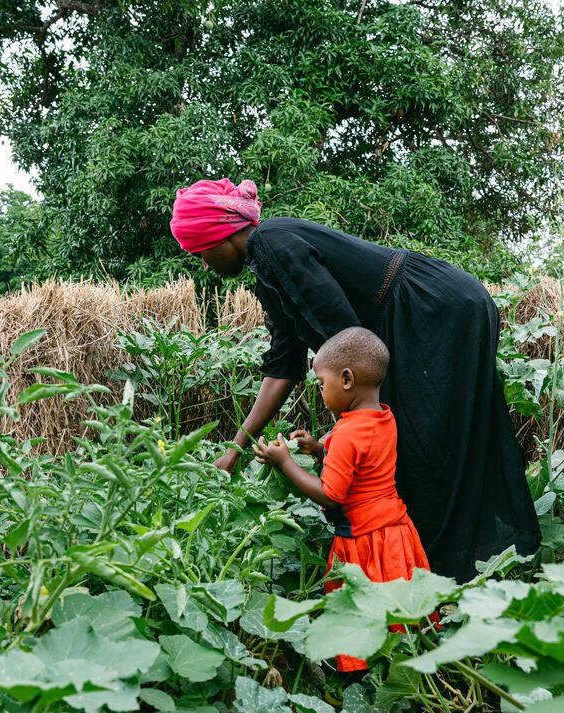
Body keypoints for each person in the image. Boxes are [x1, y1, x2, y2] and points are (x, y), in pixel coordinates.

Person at [169, 178, 540, 581]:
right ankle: (443, 571)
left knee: (428, 449)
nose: (203, 264)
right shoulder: (266, 269)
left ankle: (450, 573)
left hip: (433, 310)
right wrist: (235, 449)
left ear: (220, 234)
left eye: (199, 252)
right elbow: (284, 366)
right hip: (425, 314)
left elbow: (347, 341)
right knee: (421, 448)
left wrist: (342, 441)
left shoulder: (272, 243)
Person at [252, 327, 431, 672]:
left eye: (322, 382)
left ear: (346, 379)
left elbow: (332, 496)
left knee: (355, 611)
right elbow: (364, 465)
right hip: (395, 532)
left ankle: (358, 676)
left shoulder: (347, 432)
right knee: (400, 607)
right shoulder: (383, 417)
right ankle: (409, 665)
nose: (320, 391)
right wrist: (321, 450)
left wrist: (285, 462)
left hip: (362, 540)